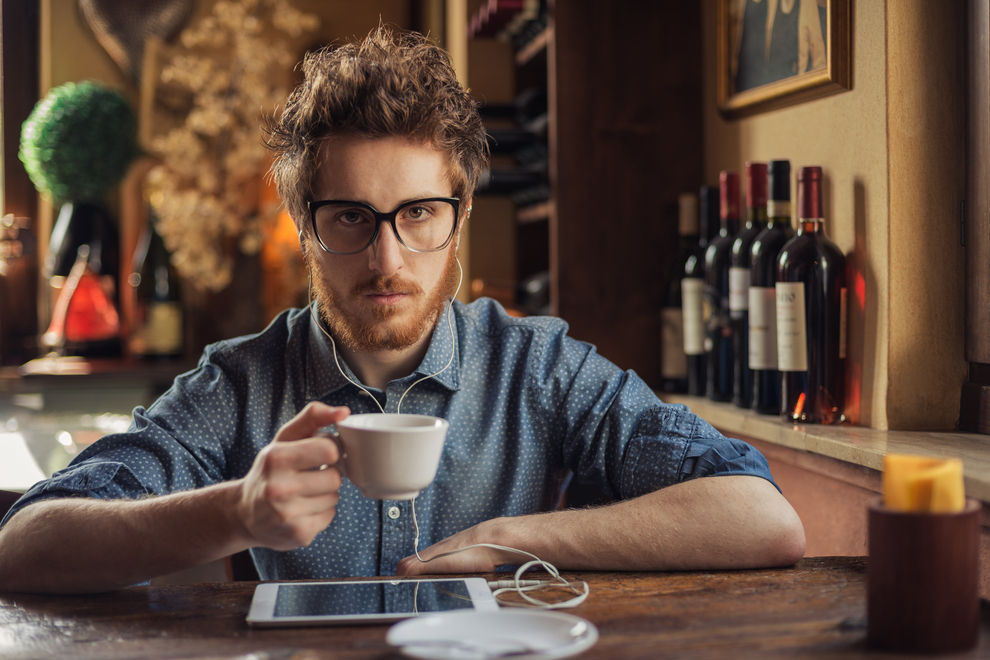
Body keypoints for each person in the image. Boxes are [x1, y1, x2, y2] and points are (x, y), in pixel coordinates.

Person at [0, 25, 804, 595]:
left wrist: (513, 540)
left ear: (459, 217)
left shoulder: (542, 369)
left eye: (417, 214)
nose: (387, 260)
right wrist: (236, 511)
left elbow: (762, 519)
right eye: (350, 217)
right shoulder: (238, 386)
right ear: (305, 226)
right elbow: (24, 545)